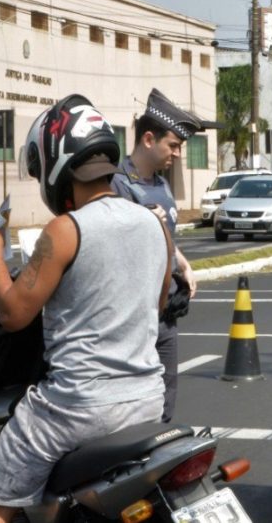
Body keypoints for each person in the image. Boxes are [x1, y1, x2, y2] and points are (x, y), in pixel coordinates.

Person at [0, 95, 171, 523]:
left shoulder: (65, 229)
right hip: (147, 399)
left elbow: (12, 314)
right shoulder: (155, 225)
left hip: (76, 407)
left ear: (57, 164)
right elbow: (157, 304)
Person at [110, 87, 198, 423]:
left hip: (166, 311)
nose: (177, 154)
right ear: (149, 139)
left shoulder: (161, 184)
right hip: (135, 313)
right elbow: (117, 246)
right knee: (136, 403)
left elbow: (168, 239)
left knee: (165, 401)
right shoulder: (119, 183)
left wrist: (184, 265)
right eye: (173, 146)